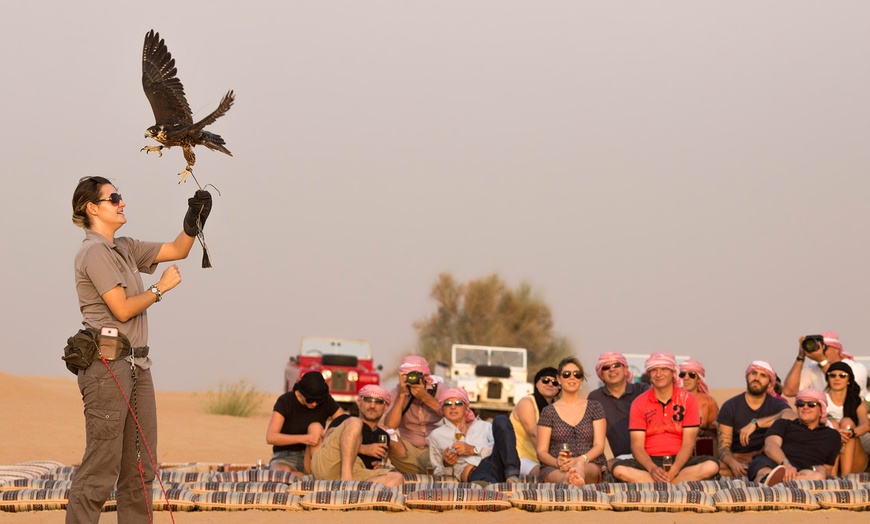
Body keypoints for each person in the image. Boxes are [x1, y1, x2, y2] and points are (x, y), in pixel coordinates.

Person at [66, 176, 209, 524]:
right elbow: (123, 309)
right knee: (101, 466)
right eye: (113, 198)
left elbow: (178, 250)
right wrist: (160, 289)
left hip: (137, 366)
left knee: (141, 468)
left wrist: (194, 221)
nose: (122, 203)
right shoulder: (93, 252)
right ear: (92, 208)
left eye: (120, 197)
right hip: (106, 366)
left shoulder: (125, 247)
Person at [611, 352, 719, 483]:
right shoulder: (639, 403)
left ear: (672, 372)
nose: (658, 374)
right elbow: (637, 446)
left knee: (711, 466)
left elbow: (688, 442)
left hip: (680, 461)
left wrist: (675, 469)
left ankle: (660, 482)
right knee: (619, 470)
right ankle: (673, 482)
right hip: (649, 461)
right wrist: (652, 469)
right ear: (649, 374)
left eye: (663, 369)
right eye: (654, 370)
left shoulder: (688, 400)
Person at [311, 385, 405, 487]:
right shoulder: (345, 420)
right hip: (330, 466)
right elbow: (327, 442)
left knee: (397, 478)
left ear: (385, 407)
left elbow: (383, 462)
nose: (372, 406)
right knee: (355, 422)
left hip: (356, 474)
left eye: (378, 402)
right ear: (359, 402)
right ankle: (346, 483)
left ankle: (354, 489)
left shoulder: (383, 435)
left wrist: (381, 468)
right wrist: (364, 449)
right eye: (368, 400)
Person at [536, 357, 607, 487]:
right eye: (567, 374)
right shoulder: (548, 412)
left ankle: (573, 480)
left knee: (580, 467)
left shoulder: (594, 407)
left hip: (589, 464)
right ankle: (572, 482)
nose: (572, 377)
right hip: (557, 467)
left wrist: (580, 460)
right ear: (559, 379)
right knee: (563, 475)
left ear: (581, 379)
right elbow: (541, 451)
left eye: (577, 374)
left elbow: (599, 445)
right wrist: (557, 462)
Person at [747, 389, 841, 486]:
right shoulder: (783, 424)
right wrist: (785, 464)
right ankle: (769, 480)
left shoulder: (832, 436)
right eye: (801, 403)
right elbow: (771, 446)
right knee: (764, 470)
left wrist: (823, 470)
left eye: (811, 404)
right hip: (774, 463)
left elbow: (828, 469)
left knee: (817, 477)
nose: (805, 407)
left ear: (821, 410)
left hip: (803, 471)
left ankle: (772, 483)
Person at [716, 361, 794, 477]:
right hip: (737, 460)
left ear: (769, 383)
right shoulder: (731, 406)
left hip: (765, 459)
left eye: (763, 375)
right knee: (712, 467)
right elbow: (723, 447)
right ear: (747, 377)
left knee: (775, 467)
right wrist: (733, 464)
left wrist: (755, 424)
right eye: (754, 373)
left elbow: (792, 416)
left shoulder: (776, 405)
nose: (757, 378)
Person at [428, 388, 520, 485]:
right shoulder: (436, 435)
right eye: (448, 404)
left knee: (501, 420)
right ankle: (491, 487)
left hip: (498, 465)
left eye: (458, 403)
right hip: (475, 473)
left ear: (466, 408)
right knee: (484, 482)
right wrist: (446, 464)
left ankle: (512, 475)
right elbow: (437, 472)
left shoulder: (484, 426)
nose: (453, 407)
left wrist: (473, 450)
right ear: (442, 409)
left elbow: (503, 448)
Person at [266, 372, 343, 474]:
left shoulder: (326, 401)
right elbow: (271, 437)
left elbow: (344, 421)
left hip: (314, 456)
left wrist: (329, 433)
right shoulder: (286, 401)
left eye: (318, 400)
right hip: (286, 456)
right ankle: (304, 478)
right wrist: (304, 439)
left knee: (315, 427)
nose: (314, 404)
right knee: (280, 474)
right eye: (310, 400)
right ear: (301, 393)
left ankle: (314, 473)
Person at [383, 356, 443, 474]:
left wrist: (425, 397)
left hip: (436, 448)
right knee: (387, 435)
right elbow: (390, 426)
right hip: (409, 451)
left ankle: (424, 470)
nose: (413, 379)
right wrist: (401, 395)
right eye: (409, 376)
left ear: (425, 376)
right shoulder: (397, 391)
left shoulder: (439, 389)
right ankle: (424, 471)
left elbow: (453, 416)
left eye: (417, 375)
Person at [587, 352, 650, 464]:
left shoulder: (642, 390)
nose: (612, 369)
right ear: (601, 374)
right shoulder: (595, 398)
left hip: (650, 455)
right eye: (606, 367)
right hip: (622, 459)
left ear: (625, 370)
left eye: (616, 365)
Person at [783, 331, 868, 399]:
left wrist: (822, 361)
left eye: (824, 347)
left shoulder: (857, 367)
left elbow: (850, 391)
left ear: (837, 349)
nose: (821, 351)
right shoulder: (813, 369)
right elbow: (789, 391)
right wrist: (800, 357)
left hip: (849, 416)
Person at [509, 366, 560, 476]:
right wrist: (552, 461)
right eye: (545, 380)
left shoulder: (555, 409)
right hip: (521, 457)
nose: (550, 384)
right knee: (548, 473)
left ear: (559, 388)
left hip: (543, 459)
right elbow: (534, 434)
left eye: (555, 382)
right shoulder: (527, 402)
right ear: (536, 383)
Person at [824, 362, 869, 474]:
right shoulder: (821, 400)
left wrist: (848, 433)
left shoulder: (857, 402)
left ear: (849, 380)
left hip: (854, 456)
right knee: (833, 425)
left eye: (842, 375)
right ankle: (832, 478)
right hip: (826, 450)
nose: (837, 378)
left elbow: (866, 425)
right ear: (828, 379)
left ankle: (845, 478)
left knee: (847, 423)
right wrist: (834, 433)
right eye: (832, 375)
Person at [678, 359, 719, 431]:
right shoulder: (671, 400)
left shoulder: (709, 402)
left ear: (699, 379)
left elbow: (716, 429)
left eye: (692, 375)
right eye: (682, 374)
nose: (686, 378)